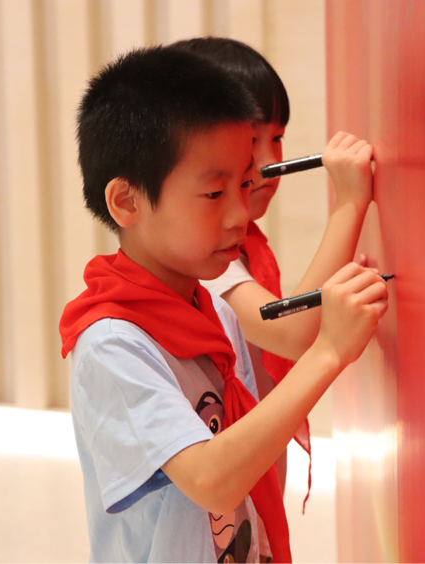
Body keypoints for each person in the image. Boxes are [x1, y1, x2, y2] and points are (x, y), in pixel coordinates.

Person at [59, 45, 388, 564]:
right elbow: (212, 480)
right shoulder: (111, 344)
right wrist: (329, 351)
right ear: (127, 201)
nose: (239, 214)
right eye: (215, 194)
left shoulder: (209, 308)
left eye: (245, 184)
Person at [173, 37, 376, 499]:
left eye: (277, 138)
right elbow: (293, 332)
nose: (269, 162)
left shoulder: (244, 246)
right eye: (250, 141)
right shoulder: (205, 262)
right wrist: (350, 201)